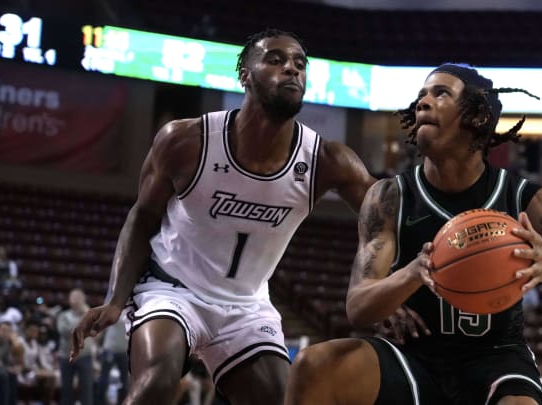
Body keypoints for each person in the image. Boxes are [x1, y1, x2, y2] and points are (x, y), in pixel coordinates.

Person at [71, 28, 375, 405]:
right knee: (156, 384)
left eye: (300, 63)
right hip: (172, 289)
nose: (292, 70)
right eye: (276, 60)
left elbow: (384, 219)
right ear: (245, 76)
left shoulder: (327, 160)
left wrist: (393, 277)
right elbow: (143, 216)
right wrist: (116, 299)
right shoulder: (185, 140)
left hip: (246, 306)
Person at [285, 63, 542, 405]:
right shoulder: (389, 197)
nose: (423, 102)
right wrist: (411, 273)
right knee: (313, 365)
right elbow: (358, 309)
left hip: (496, 358)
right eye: (421, 95)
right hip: (412, 357)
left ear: (477, 116)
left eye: (441, 93)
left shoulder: (533, 203)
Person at [58, 289, 95, 405]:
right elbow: (64, 331)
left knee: (87, 389)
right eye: (74, 297)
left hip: (85, 356)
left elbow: (94, 331)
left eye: (79, 297)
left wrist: (86, 316)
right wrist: (83, 320)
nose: (77, 300)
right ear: (69, 300)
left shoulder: (90, 315)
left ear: (84, 299)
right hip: (66, 356)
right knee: (66, 389)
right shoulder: (63, 315)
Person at [96, 321, 129, 405]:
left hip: (123, 350)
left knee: (124, 381)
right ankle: (101, 402)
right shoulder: (114, 309)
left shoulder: (132, 312)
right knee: (104, 379)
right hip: (110, 349)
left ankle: (122, 402)